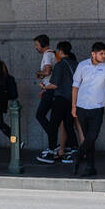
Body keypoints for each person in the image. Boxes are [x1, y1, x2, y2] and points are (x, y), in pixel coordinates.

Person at [70, 42, 105, 178]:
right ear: (93, 54)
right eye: (101, 53)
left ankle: (78, 154)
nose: (104, 56)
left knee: (92, 136)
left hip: (97, 108)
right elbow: (75, 86)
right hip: (82, 106)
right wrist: (73, 106)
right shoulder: (82, 65)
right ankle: (90, 167)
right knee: (89, 139)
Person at [37, 39, 79, 163]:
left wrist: (44, 87)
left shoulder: (60, 65)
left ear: (60, 51)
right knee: (68, 125)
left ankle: (51, 151)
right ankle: (73, 150)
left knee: (54, 125)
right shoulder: (75, 64)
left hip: (61, 98)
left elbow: (54, 84)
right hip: (72, 99)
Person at [34, 35, 62, 163]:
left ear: (41, 44)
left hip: (50, 90)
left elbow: (47, 71)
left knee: (40, 115)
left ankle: (54, 141)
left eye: (36, 45)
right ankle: (54, 142)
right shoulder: (53, 54)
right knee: (48, 117)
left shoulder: (47, 55)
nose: (36, 47)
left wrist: (38, 74)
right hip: (51, 89)